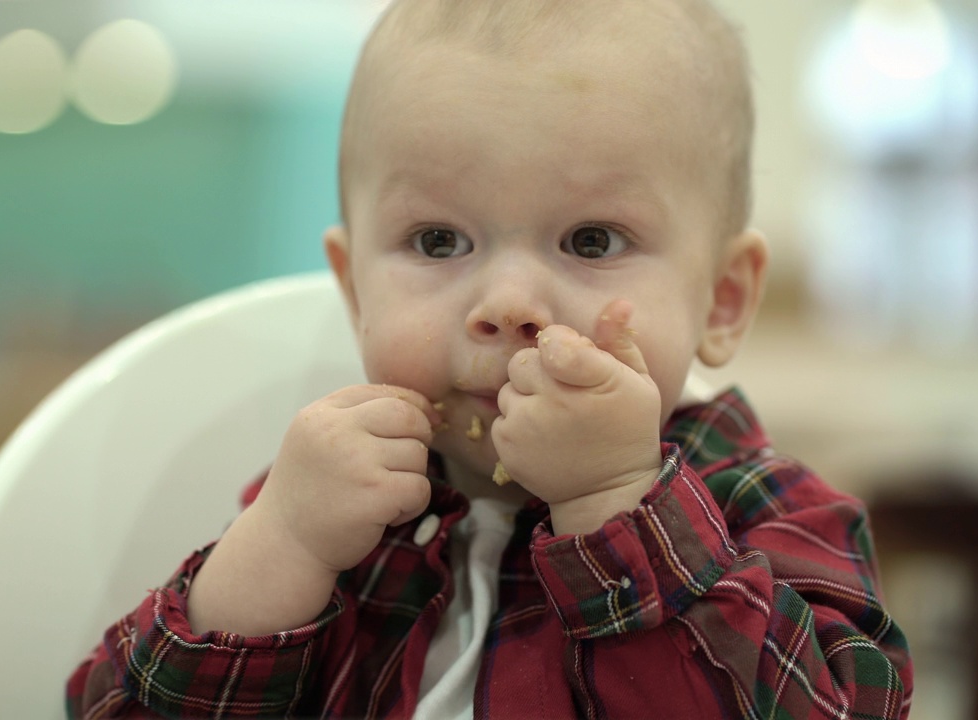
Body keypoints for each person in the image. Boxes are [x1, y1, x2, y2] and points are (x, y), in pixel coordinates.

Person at [67, 0, 913, 717]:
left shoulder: (774, 514)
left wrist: (615, 506)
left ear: (721, 299)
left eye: (591, 239)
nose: (508, 304)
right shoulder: (329, 511)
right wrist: (277, 546)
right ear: (356, 289)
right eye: (439, 241)